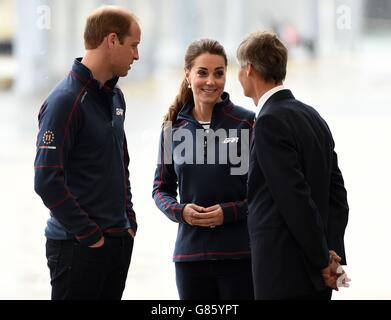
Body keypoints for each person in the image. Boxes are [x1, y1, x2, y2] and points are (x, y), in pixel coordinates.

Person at [34, 6, 141, 300]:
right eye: (133, 45)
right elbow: (46, 180)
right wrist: (90, 235)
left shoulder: (116, 96)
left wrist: (128, 222)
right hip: (78, 247)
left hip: (117, 241)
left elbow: (122, 163)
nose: (136, 55)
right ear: (112, 40)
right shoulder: (65, 101)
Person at [236, 31, 350, 300]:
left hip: (283, 270)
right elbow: (337, 194)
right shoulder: (313, 116)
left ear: (249, 69)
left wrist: (323, 260)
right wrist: (332, 255)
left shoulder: (268, 122)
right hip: (318, 275)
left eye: (239, 68)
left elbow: (294, 199)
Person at [152, 39, 255, 300]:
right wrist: (181, 212)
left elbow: (263, 193)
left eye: (219, 73)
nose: (211, 81)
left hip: (240, 256)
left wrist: (228, 213)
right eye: (202, 72)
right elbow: (160, 189)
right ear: (188, 75)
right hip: (189, 259)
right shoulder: (171, 129)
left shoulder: (247, 123)